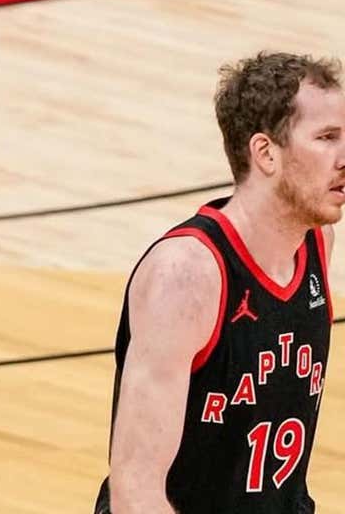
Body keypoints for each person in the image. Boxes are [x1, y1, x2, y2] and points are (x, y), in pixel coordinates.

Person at [95, 52, 343, 513]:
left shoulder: (317, 245)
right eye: (328, 138)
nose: (344, 157)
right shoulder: (187, 276)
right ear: (266, 153)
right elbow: (136, 491)